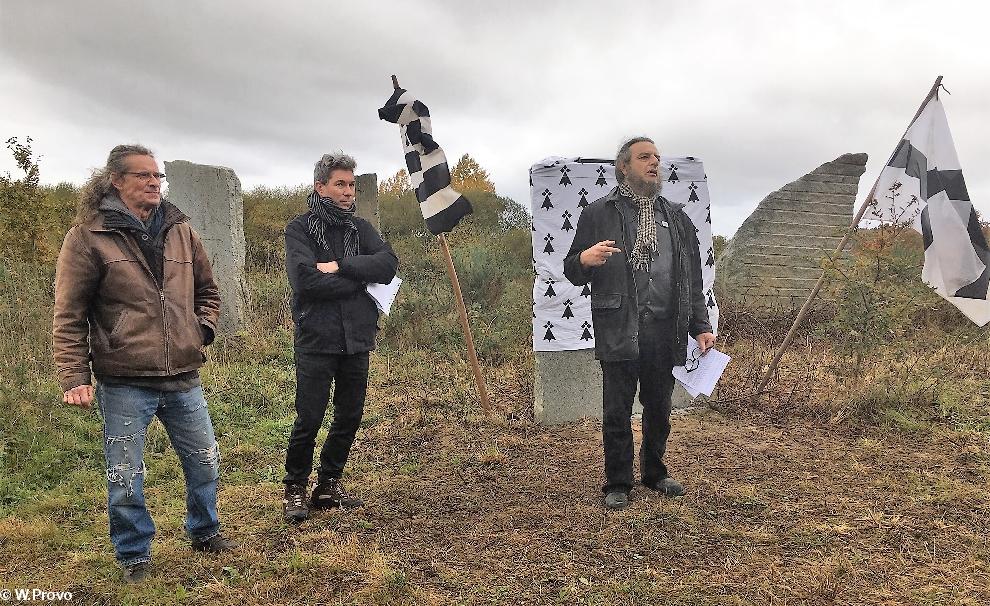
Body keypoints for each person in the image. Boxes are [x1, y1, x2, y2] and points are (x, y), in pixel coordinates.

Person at [53, 144, 235, 583]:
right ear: (115, 180)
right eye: (143, 176)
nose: (154, 182)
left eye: (158, 176)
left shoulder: (180, 229)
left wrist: (200, 331)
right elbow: (69, 312)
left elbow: (208, 291)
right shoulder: (87, 236)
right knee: (125, 474)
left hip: (183, 375)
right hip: (124, 380)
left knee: (205, 460)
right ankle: (134, 554)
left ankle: (205, 531)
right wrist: (75, 375)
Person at [564, 137, 716, 510]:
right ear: (624, 167)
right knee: (617, 409)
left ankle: (654, 472)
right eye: (644, 157)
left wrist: (701, 325)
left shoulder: (677, 218)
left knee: (659, 407)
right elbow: (571, 270)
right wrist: (584, 258)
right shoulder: (599, 213)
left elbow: (692, 279)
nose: (653, 163)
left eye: (657, 158)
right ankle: (618, 481)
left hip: (665, 329)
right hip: (619, 326)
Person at [282, 153, 398, 523]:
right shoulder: (299, 229)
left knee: (349, 415)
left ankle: (329, 483)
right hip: (317, 337)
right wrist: (359, 281)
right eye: (341, 185)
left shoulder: (360, 229)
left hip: (357, 338)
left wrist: (343, 266)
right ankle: (295, 486)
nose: (349, 192)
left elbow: (388, 264)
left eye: (352, 185)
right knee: (310, 417)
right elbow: (305, 281)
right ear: (321, 187)